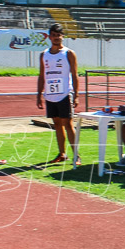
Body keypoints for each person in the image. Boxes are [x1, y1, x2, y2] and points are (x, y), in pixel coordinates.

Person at [36, 23, 80, 165]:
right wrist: (39, 95)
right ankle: (62, 153)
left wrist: (77, 94)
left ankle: (76, 155)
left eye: (59, 35)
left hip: (65, 93)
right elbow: (42, 75)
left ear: (62, 36)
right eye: (53, 35)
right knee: (56, 123)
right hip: (50, 94)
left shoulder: (68, 53)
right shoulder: (44, 54)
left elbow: (75, 75)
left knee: (68, 123)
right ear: (49, 37)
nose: (56, 38)